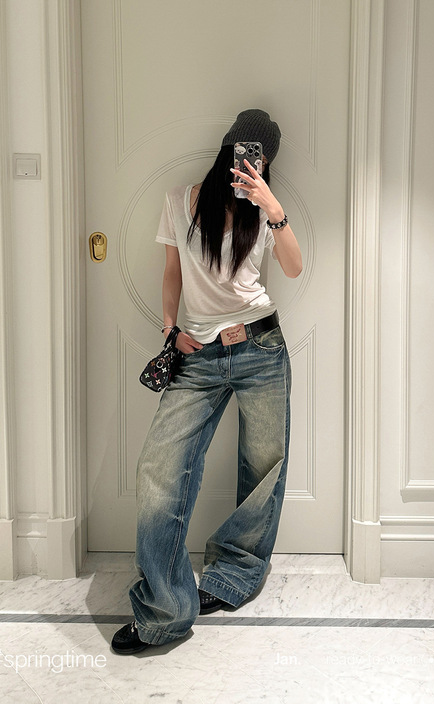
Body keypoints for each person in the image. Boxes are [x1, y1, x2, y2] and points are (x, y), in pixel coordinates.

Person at [111, 109, 303, 654]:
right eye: (244, 152)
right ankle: (165, 611)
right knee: (160, 470)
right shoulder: (180, 201)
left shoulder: (263, 209)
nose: (250, 164)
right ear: (227, 148)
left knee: (264, 468)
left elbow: (293, 268)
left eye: (260, 158)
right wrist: (170, 330)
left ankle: (234, 573)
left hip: (261, 347)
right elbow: (172, 273)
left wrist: (274, 210)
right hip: (197, 356)